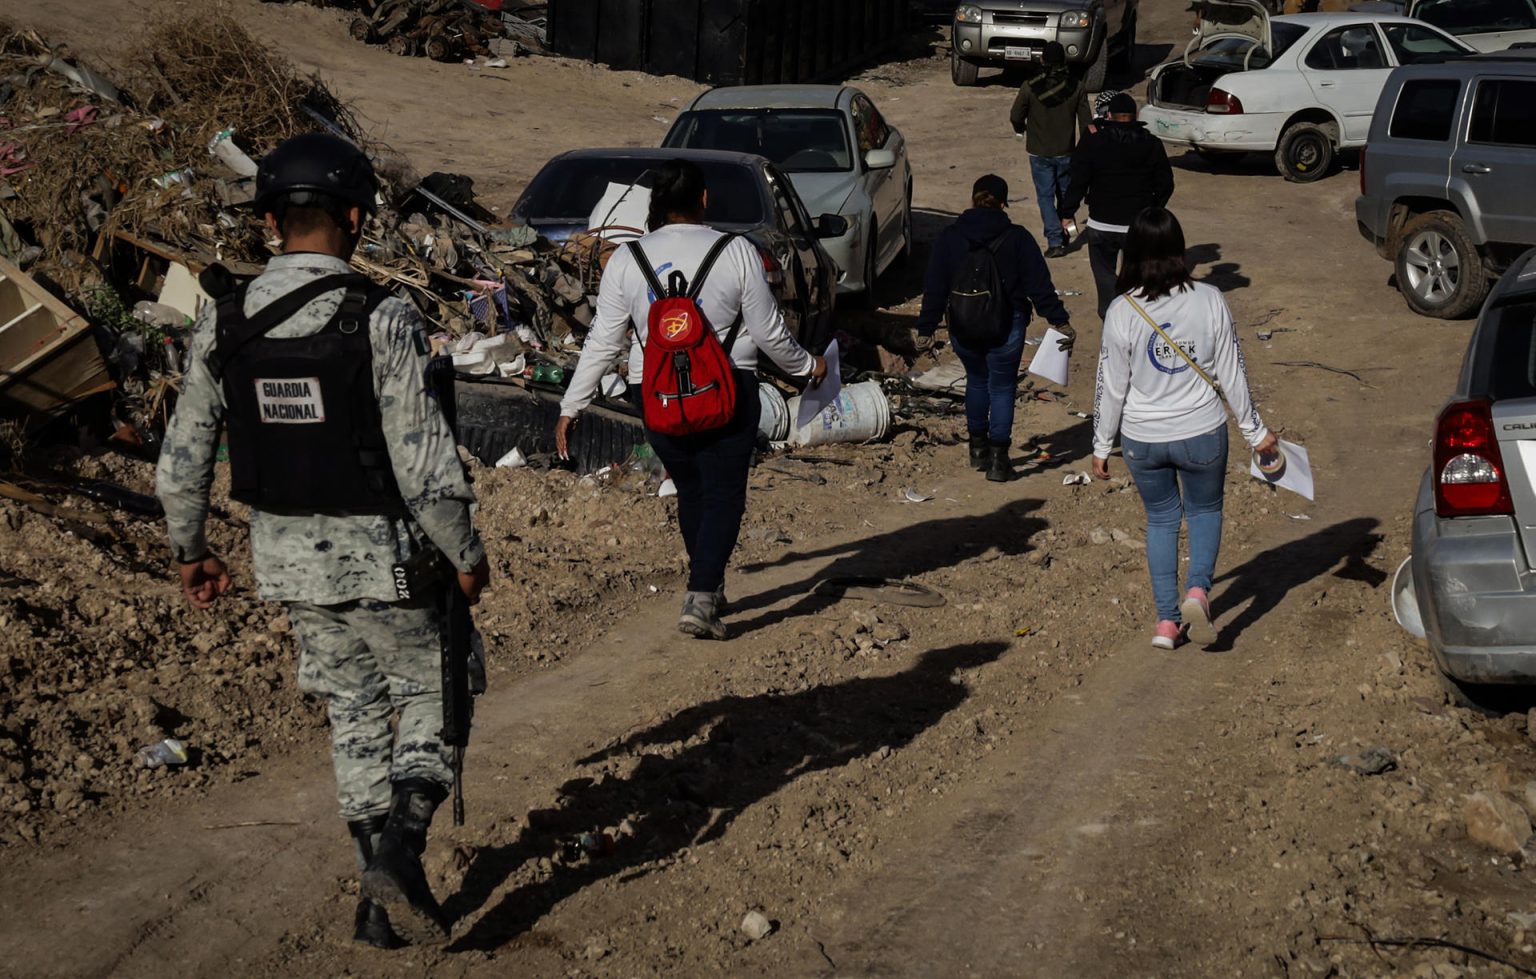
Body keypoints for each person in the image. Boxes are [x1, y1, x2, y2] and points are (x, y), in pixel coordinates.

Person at [155, 132, 490, 949]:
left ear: (271, 221)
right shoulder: (380, 317)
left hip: (289, 566)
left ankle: (375, 908)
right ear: (354, 217)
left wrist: (191, 549)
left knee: (354, 716)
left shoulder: (224, 322)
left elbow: (181, 461)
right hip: (391, 562)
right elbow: (423, 461)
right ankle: (404, 850)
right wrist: (465, 551)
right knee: (437, 693)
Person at [555, 159, 826, 641]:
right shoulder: (736, 250)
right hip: (728, 388)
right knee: (724, 492)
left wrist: (571, 406)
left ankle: (708, 581)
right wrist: (809, 368)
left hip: (654, 393)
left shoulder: (626, 259)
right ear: (704, 200)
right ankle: (702, 596)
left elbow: (603, 342)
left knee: (692, 487)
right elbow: (769, 332)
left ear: (655, 205)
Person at [1090, 207, 1278, 649]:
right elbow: (1232, 372)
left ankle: (1166, 624)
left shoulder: (1121, 310)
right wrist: (1256, 432)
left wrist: (1101, 444)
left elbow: (1110, 386)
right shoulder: (1210, 298)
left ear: (1130, 253)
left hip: (1142, 438)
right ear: (1180, 249)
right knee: (1205, 511)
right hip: (1201, 432)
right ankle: (1198, 590)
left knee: (1160, 521)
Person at [917, 174, 1074, 482]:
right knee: (1002, 387)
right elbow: (1039, 286)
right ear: (1003, 203)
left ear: (973, 199)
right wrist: (1059, 320)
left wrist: (926, 328)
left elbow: (934, 286)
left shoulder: (950, 236)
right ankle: (1000, 461)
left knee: (976, 382)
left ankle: (977, 450)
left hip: (962, 326)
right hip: (1008, 324)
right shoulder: (1018, 237)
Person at [1058, 93, 1176, 319]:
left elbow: (1078, 180)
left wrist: (1067, 213)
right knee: (1138, 276)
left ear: (1108, 115)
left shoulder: (1093, 141)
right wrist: (1153, 209)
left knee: (1104, 275)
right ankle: (1138, 317)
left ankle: (1111, 316)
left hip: (1101, 222)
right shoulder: (1151, 143)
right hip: (1138, 225)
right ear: (1136, 116)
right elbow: (1166, 184)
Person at [1008, 41, 1092, 259]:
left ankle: (1055, 240)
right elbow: (1086, 123)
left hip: (1039, 152)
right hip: (1067, 151)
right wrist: (1085, 151)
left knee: (1045, 196)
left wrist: (1021, 129)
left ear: (1042, 60)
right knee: (1066, 194)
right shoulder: (1077, 86)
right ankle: (1067, 228)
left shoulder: (1030, 85)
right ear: (1064, 60)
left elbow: (1016, 115)